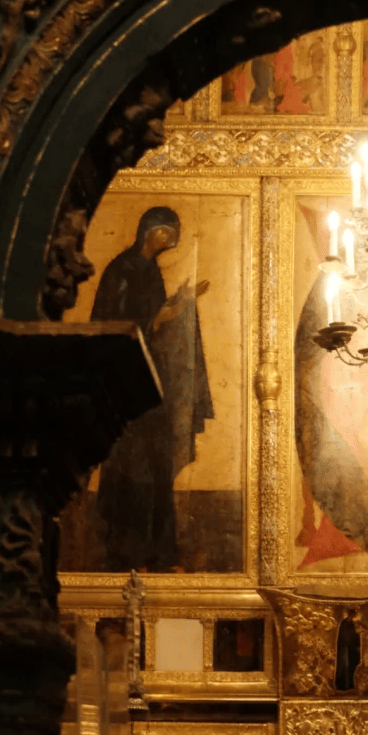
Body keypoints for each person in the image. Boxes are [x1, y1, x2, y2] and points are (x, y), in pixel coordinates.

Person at [91, 206, 213, 571]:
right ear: (150, 231)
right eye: (166, 232)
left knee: (158, 467)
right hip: (126, 385)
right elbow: (109, 323)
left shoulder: (150, 271)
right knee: (131, 468)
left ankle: (160, 554)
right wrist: (156, 318)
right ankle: (127, 555)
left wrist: (180, 303)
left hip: (152, 384)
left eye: (174, 234)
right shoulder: (122, 270)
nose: (170, 240)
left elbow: (157, 322)